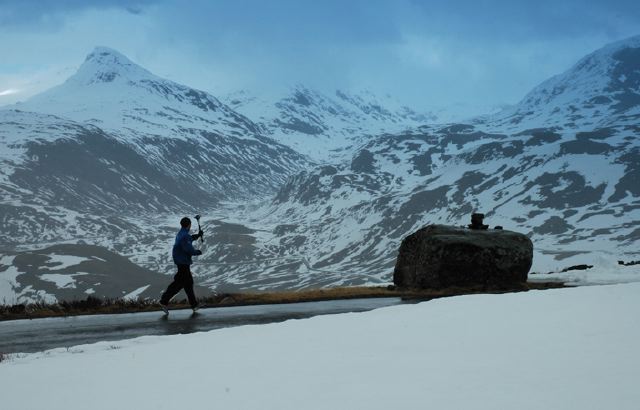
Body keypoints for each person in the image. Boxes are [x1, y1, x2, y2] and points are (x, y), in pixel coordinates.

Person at [159, 217, 203, 314]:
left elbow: (189, 239)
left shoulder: (181, 234)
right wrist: (198, 252)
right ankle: (163, 301)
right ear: (189, 225)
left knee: (188, 283)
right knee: (178, 284)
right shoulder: (184, 236)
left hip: (180, 261)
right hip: (183, 262)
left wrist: (197, 236)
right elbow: (189, 249)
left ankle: (194, 305)